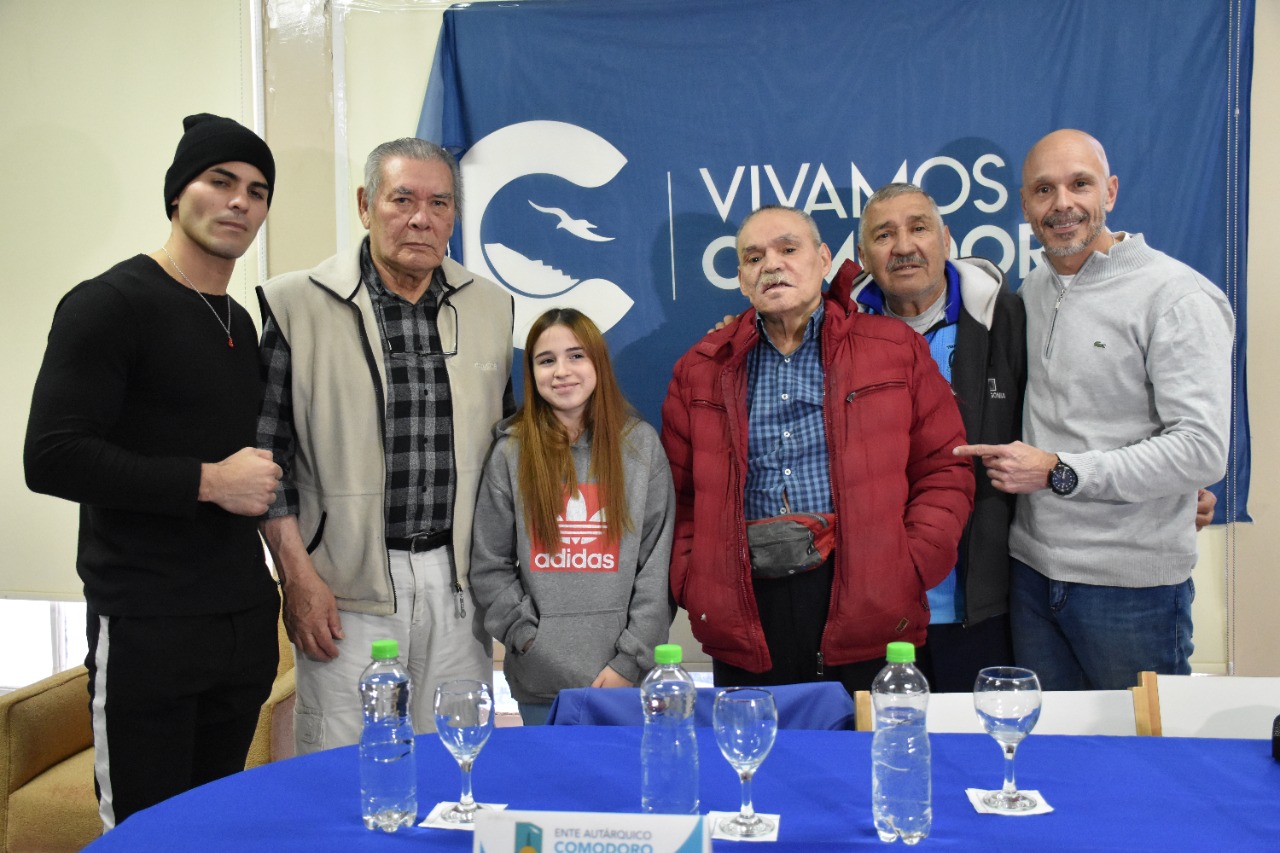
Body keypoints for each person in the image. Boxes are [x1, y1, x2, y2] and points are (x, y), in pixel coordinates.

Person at [24, 113, 282, 829]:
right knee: (146, 837)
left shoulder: (238, 320)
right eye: (220, 181)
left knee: (214, 829)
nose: (239, 202)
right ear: (177, 194)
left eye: (257, 190)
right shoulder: (109, 305)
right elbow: (51, 455)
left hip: (239, 627)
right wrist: (208, 481)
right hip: (147, 626)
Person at [256, 137, 514, 753]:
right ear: (365, 205)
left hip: (459, 586)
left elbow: (509, 455)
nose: (421, 218)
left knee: (456, 759)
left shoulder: (491, 306)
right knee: (346, 766)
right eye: (402, 199)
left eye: (439, 203)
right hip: (342, 587)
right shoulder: (295, 304)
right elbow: (266, 460)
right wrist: (298, 579)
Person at [955, 129, 1234, 690]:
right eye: (1044, 190)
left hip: (1131, 591)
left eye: (1079, 184)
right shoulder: (1032, 291)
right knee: (1049, 742)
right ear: (1024, 204)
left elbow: (1202, 450)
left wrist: (1059, 470)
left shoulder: (1177, 296)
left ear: (1110, 191)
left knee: (1139, 744)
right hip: (1031, 578)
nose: (1062, 204)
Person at [661, 205, 973, 696]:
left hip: (869, 604)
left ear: (824, 259)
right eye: (754, 257)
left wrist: (907, 565)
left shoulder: (895, 350)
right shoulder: (700, 370)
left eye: (788, 249)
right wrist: (694, 581)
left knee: (865, 744)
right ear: (741, 278)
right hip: (745, 615)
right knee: (755, 743)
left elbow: (944, 471)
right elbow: (678, 499)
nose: (771, 264)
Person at [827, 183, 1025, 692]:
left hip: (982, 603)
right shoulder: (831, 334)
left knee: (976, 739)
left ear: (946, 239)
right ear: (863, 255)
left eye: (918, 228)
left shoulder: (1009, 320)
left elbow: (1070, 416)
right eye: (884, 235)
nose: (904, 246)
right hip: (871, 606)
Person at [470, 308, 675, 725]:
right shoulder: (510, 452)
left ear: (598, 362)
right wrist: (528, 640)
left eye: (576, 356)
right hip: (540, 681)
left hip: (624, 684)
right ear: (532, 373)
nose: (562, 371)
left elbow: (657, 567)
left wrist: (630, 661)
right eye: (546, 360)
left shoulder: (640, 447)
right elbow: (489, 566)